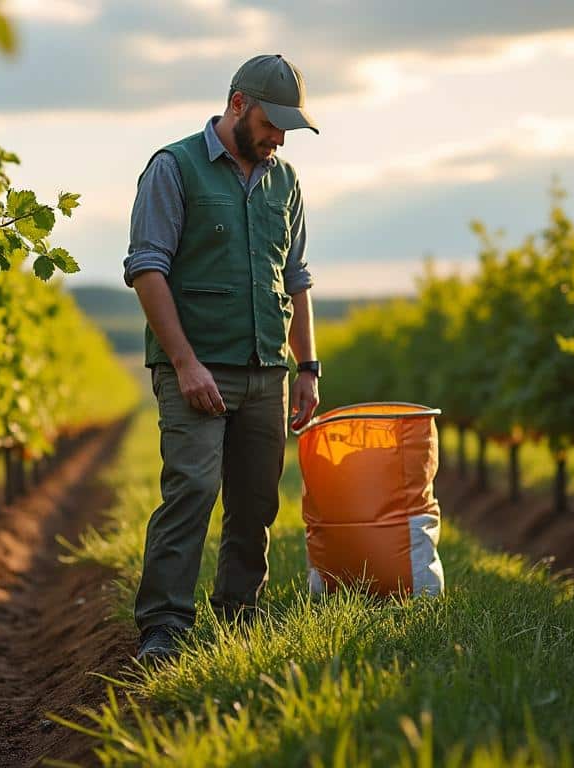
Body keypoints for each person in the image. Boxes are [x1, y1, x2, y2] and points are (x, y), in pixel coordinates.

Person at [124, 54, 321, 664]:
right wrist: (184, 364)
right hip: (196, 370)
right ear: (239, 104)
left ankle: (239, 615)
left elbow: (295, 280)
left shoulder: (284, 182)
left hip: (268, 371)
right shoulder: (173, 168)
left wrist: (307, 369)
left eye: (289, 128)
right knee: (192, 490)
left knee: (257, 502)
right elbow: (146, 269)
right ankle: (164, 628)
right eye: (272, 122)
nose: (279, 137)